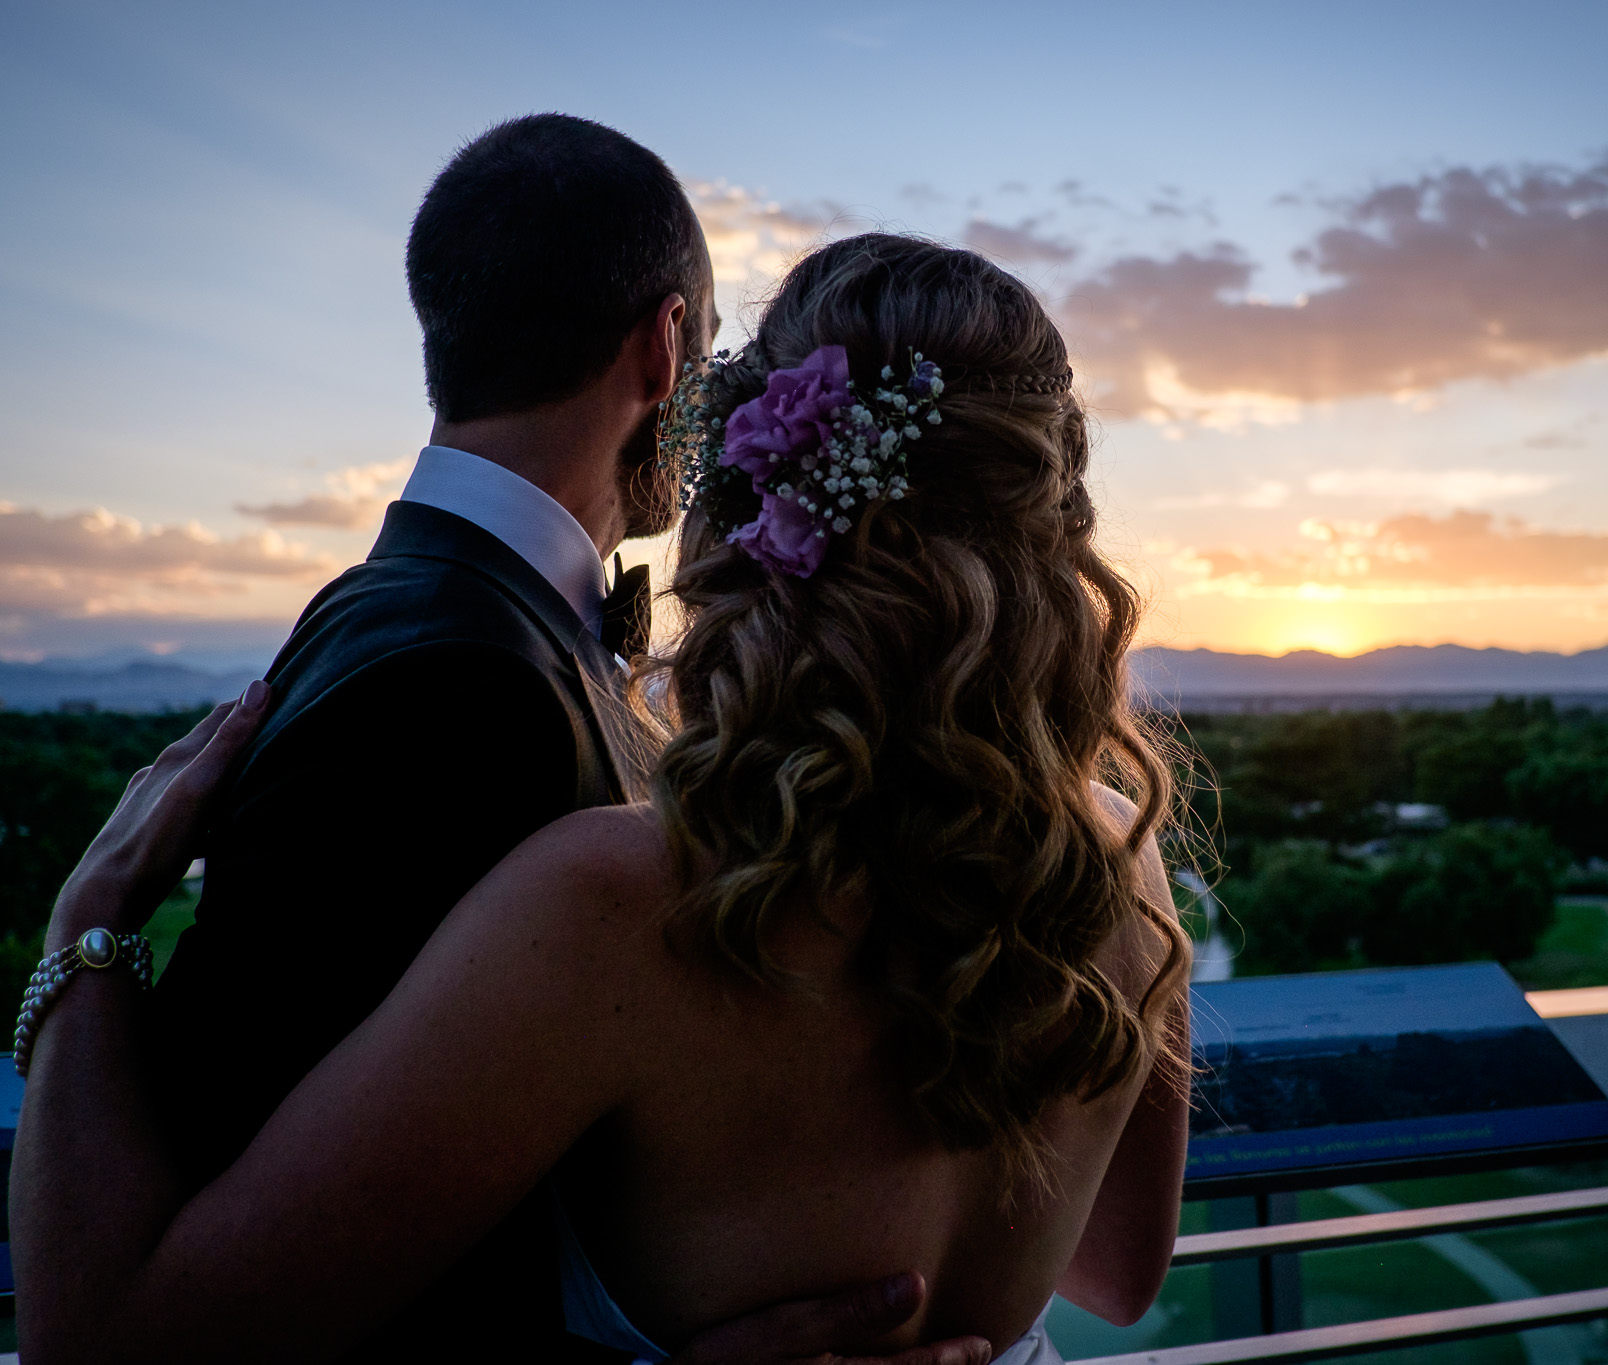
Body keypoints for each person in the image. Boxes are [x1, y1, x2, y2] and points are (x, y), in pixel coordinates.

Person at [10, 232, 1193, 1365]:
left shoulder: (617, 905)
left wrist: (89, 932)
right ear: (1049, 533)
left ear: (752, 495)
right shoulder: (1119, 867)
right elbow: (1116, 1270)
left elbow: (108, 1344)